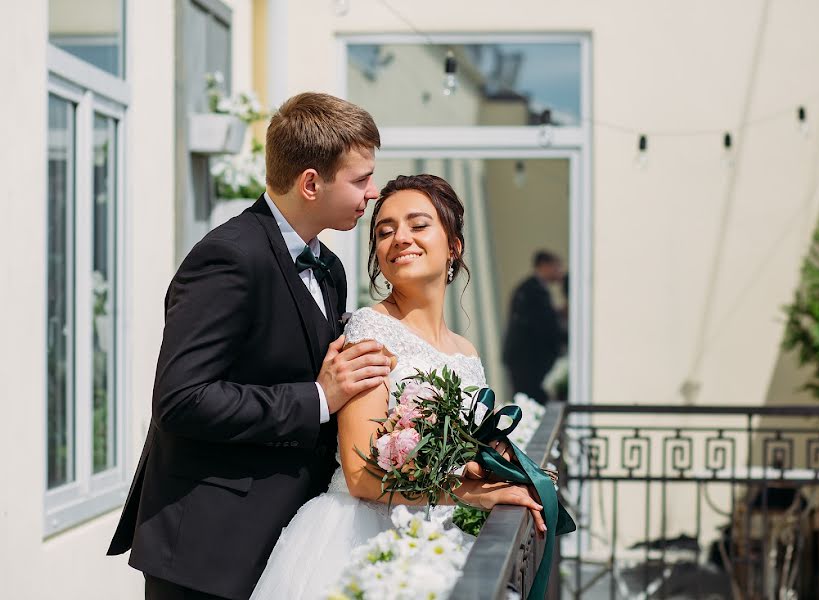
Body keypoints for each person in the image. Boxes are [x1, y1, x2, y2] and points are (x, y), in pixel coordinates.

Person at [107, 92, 395, 600]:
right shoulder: (226, 257)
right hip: (208, 550)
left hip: (291, 544)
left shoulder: (330, 267)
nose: (372, 192)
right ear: (311, 183)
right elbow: (181, 399)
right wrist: (317, 399)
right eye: (360, 178)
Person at [250, 174, 546, 599]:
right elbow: (359, 474)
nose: (399, 238)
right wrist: (471, 493)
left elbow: (465, 451)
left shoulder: (465, 351)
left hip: (444, 537)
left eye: (418, 225)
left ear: (454, 245)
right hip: (365, 535)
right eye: (384, 231)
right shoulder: (371, 332)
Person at [502, 250, 566, 404]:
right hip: (527, 362)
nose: (560, 272)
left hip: (526, 360)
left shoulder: (531, 289)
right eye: (556, 266)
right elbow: (542, 325)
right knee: (529, 402)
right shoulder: (532, 290)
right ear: (544, 266)